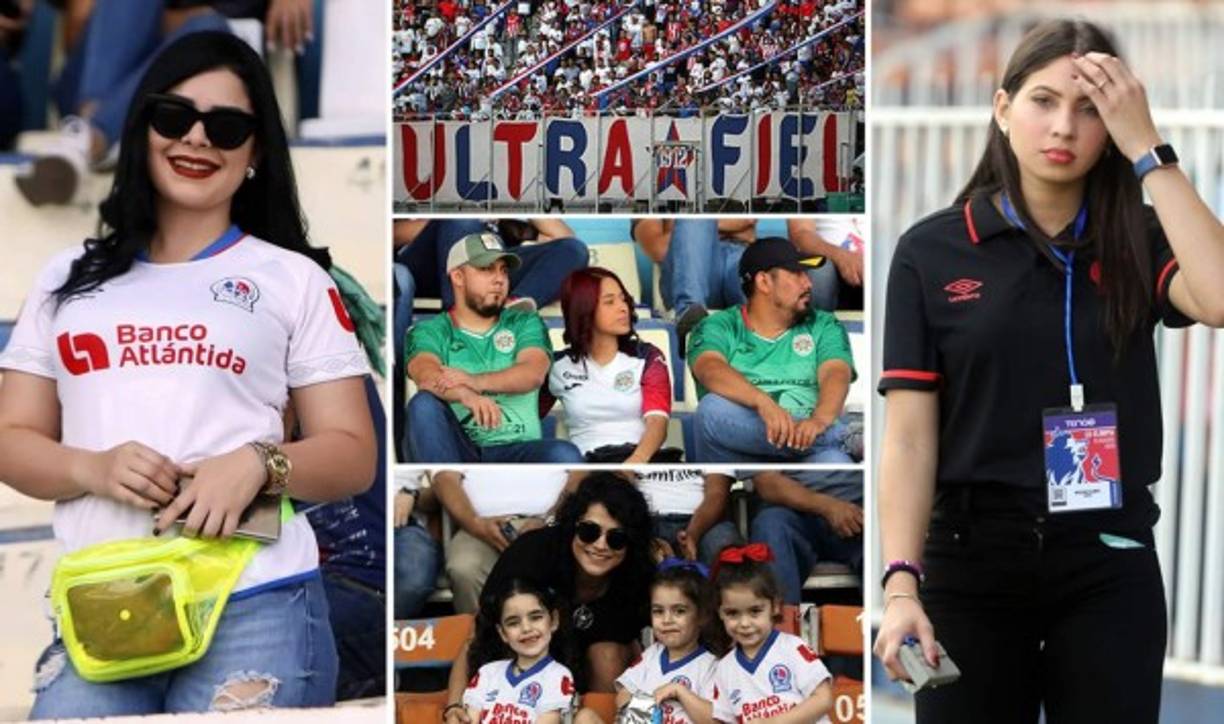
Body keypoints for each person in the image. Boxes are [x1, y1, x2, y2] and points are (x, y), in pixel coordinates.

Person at [0, 31, 376, 717]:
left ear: (256, 151)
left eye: (227, 127)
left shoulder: (292, 278)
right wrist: (91, 468)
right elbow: (12, 438)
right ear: (143, 129)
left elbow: (353, 454)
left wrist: (262, 463)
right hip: (104, 602)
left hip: (255, 597)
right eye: (175, 118)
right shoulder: (65, 278)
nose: (197, 140)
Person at [872, 20, 1224, 724]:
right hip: (969, 565)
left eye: (1091, 109)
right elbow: (909, 438)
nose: (1063, 126)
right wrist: (902, 588)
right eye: (1042, 101)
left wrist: (1148, 150)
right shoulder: (931, 252)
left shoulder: (1140, 239)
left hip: (1107, 558)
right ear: (1002, 110)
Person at [16, 0, 315, 205]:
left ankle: (86, 138)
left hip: (202, 83)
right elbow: (80, 25)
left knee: (207, 27)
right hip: (96, 89)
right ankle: (97, 131)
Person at [444, 473, 655, 716]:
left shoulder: (637, 573)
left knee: (608, 655)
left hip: (591, 676)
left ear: (632, 543)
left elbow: (642, 654)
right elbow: (477, 636)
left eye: (616, 538)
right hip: (526, 670)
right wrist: (454, 705)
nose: (600, 545)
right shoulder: (531, 556)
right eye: (589, 531)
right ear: (572, 525)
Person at [404, 231, 583, 463]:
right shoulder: (430, 330)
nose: (499, 279)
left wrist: (474, 381)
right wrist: (467, 396)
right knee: (423, 404)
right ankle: (448, 487)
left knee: (564, 454)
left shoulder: (525, 321)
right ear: (458, 277)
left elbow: (532, 374)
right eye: (486, 269)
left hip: (518, 450)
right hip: (460, 450)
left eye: (503, 271)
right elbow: (427, 375)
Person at [688, 238, 856, 463]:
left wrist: (820, 420)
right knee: (710, 411)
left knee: (836, 462)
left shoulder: (824, 324)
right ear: (764, 282)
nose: (809, 284)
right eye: (797, 274)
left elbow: (836, 373)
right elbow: (709, 368)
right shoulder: (718, 325)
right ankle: (842, 438)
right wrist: (763, 403)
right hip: (741, 455)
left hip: (809, 450)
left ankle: (830, 441)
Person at [633, 218, 857, 348]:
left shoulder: (736, 170)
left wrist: (683, 227)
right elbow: (659, 248)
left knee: (763, 270)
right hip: (691, 270)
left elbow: (747, 219)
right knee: (694, 213)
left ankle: (768, 345)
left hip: (740, 255)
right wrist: (697, 226)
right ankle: (693, 325)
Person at [542, 267, 677, 464]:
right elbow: (525, 419)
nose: (623, 308)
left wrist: (635, 462)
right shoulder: (557, 366)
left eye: (623, 299)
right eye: (609, 302)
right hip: (590, 466)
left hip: (646, 461)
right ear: (583, 308)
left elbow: (658, 422)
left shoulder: (647, 356)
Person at [710, 544, 834, 724]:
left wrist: (774, 722)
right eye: (732, 613)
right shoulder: (724, 669)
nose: (745, 623)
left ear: (775, 606)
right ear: (720, 612)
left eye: (755, 611)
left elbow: (824, 699)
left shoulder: (793, 648)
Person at [460, 578, 602, 724]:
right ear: (502, 633)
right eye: (513, 622)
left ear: (553, 621)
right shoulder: (487, 673)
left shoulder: (558, 676)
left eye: (536, 617)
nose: (526, 628)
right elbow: (471, 718)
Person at [433, 467, 570, 614]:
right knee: (464, 567)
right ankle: (482, 634)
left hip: (552, 521)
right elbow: (444, 477)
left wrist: (551, 518)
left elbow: (581, 475)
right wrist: (475, 524)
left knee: (565, 563)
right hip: (479, 524)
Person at [394, 218, 589, 311]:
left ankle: (511, 310)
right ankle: (459, 321)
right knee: (461, 223)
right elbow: (394, 233)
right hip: (430, 262)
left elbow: (565, 239)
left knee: (575, 250)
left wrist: (520, 201)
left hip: (493, 259)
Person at [614, 560, 722, 724]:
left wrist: (679, 691)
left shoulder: (711, 665)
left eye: (679, 611)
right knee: (586, 717)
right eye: (658, 611)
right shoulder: (652, 654)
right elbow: (624, 692)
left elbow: (715, 720)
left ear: (702, 616)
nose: (666, 620)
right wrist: (639, 715)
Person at [749, 470, 864, 605]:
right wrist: (829, 506)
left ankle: (885, 621)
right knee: (770, 527)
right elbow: (767, 482)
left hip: (860, 511)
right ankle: (782, 622)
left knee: (885, 535)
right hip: (791, 510)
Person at [393, 471, 440, 620]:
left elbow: (442, 486)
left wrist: (413, 494)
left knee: (413, 582)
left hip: (405, 524)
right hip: (349, 517)